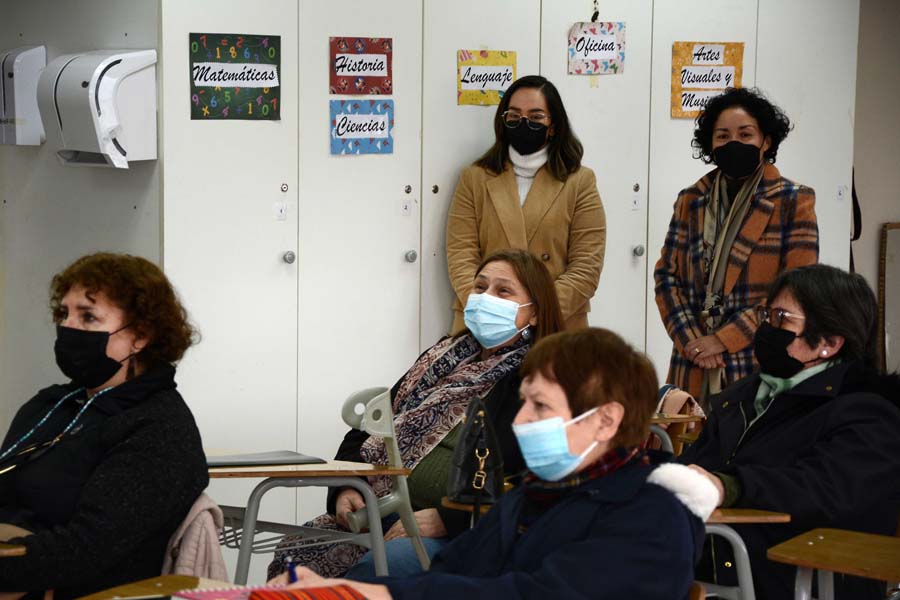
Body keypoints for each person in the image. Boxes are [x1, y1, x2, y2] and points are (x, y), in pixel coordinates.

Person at [273, 328, 719, 599]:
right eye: (524, 402)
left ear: (606, 420)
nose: (521, 420)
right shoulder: (530, 498)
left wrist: (365, 593)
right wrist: (348, 592)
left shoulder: (652, 515)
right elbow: (447, 577)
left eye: (540, 407)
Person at [268, 249, 565, 580]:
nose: (486, 298)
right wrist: (347, 489)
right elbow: (368, 430)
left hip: (464, 532)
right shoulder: (442, 358)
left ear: (535, 313)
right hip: (381, 514)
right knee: (295, 554)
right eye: (480, 288)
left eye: (503, 291)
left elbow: (539, 482)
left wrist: (449, 518)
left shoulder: (537, 380)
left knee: (381, 569)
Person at [680, 264, 900, 600]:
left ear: (829, 343)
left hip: (798, 583)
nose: (767, 328)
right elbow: (695, 468)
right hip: (714, 572)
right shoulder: (741, 399)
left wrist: (732, 486)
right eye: (766, 315)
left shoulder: (866, 412)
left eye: (782, 318)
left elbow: (822, 490)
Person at [0, 252, 208, 599]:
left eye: (88, 317)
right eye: (65, 314)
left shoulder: (159, 428)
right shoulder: (51, 405)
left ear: (140, 335)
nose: (69, 328)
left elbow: (87, 549)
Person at [655, 87, 819, 406]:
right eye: (723, 136)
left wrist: (723, 340)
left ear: (766, 141)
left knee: (749, 449)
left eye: (745, 135)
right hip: (694, 360)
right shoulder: (691, 200)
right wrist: (694, 342)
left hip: (757, 358)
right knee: (688, 448)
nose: (734, 144)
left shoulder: (793, 200)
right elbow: (666, 278)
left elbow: (798, 291)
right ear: (711, 145)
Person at [446, 75, 605, 332]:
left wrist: (533, 311)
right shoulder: (474, 177)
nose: (523, 123)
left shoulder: (580, 181)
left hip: (555, 323)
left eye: (536, 117)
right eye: (514, 115)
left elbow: (587, 266)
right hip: (482, 323)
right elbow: (460, 255)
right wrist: (490, 310)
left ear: (553, 125)